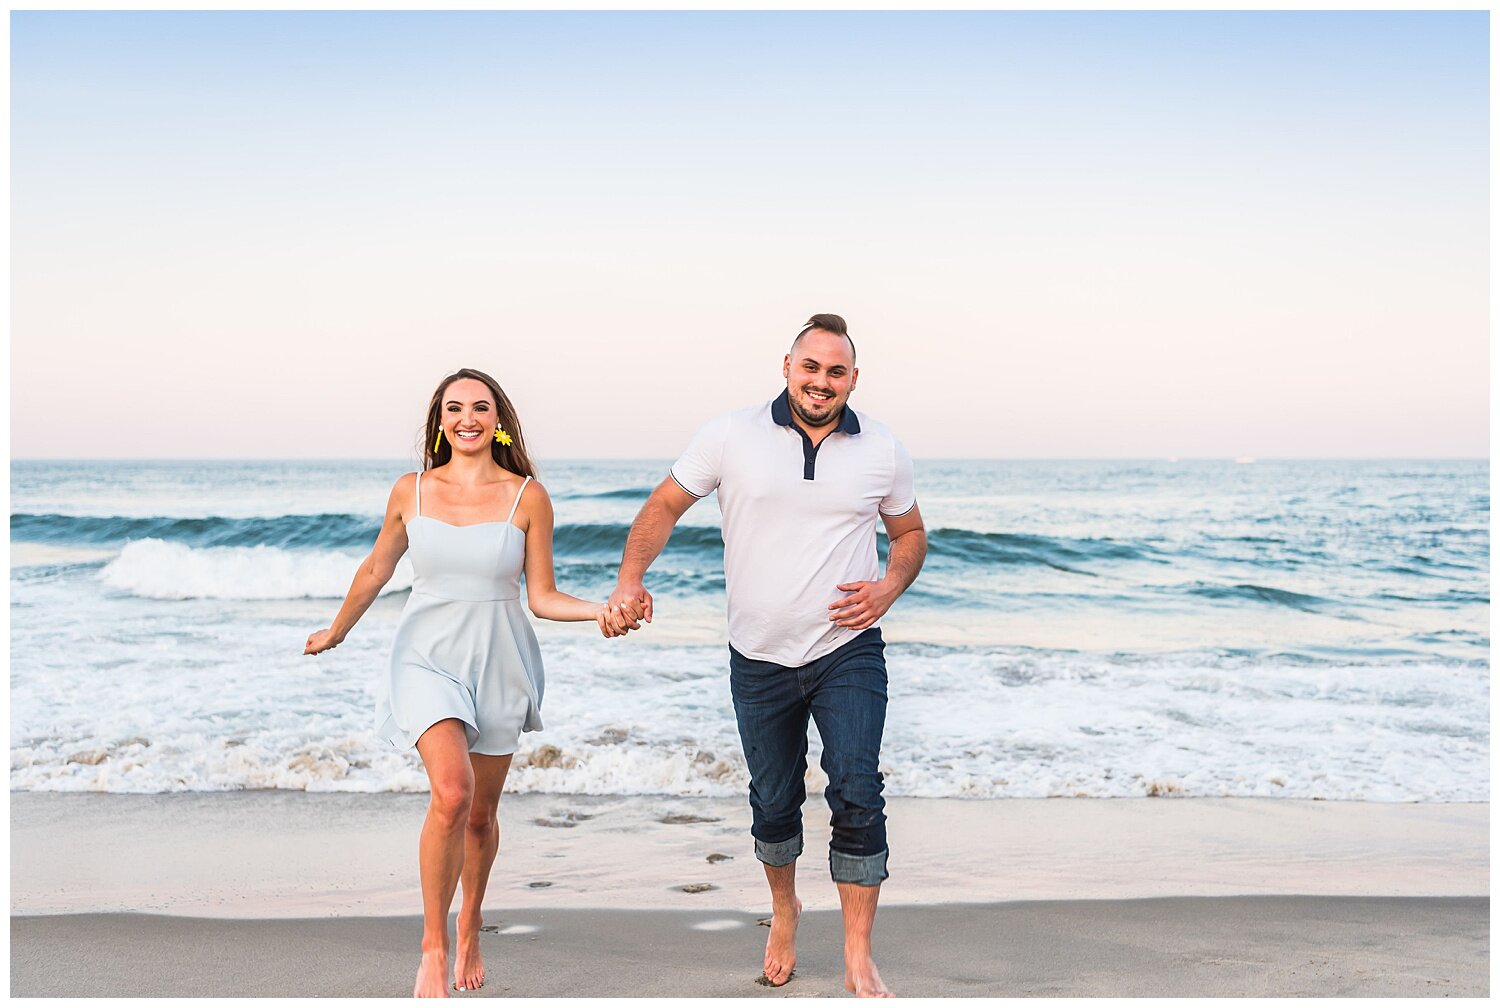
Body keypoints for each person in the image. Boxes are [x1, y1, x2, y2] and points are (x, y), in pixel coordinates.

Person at [608, 315, 927, 998]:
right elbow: (664, 505)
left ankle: (857, 952)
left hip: (848, 650)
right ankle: (785, 910)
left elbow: (910, 534)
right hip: (757, 656)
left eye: (835, 371)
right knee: (774, 800)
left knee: (857, 789)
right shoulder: (730, 435)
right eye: (810, 367)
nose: (821, 381)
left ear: (853, 379)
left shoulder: (882, 448)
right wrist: (630, 579)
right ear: (787, 366)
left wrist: (889, 588)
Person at [304, 368, 631, 998]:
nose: (467, 418)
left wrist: (599, 612)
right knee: (450, 795)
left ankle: (472, 922)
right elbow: (377, 568)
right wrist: (337, 630)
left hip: (499, 660)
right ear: (440, 422)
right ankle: (433, 942)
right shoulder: (412, 491)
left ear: (498, 419)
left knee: (480, 816)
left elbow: (540, 596)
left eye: (480, 407)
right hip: (424, 656)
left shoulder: (526, 496)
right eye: (454, 408)